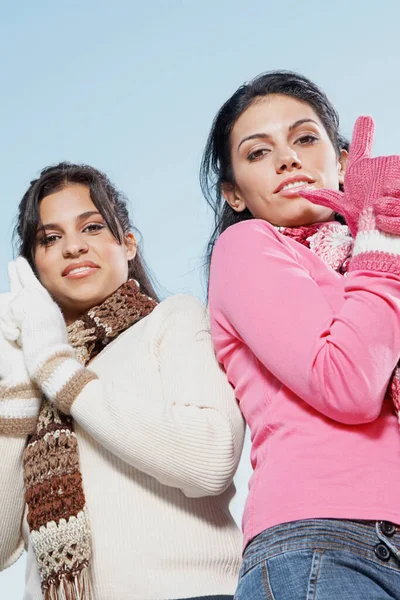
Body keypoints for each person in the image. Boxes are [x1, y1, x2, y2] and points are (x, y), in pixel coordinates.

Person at [0, 162, 245, 600]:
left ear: (127, 244)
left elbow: (210, 460)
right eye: (50, 238)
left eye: (92, 227)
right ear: (34, 267)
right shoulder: (32, 379)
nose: (73, 247)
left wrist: (61, 373)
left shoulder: (173, 320)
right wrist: (18, 392)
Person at [200, 70, 400, 599]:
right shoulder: (247, 248)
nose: (288, 159)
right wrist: (381, 251)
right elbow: (347, 384)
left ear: (341, 161)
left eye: (305, 138)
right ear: (234, 193)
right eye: (258, 153)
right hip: (322, 543)